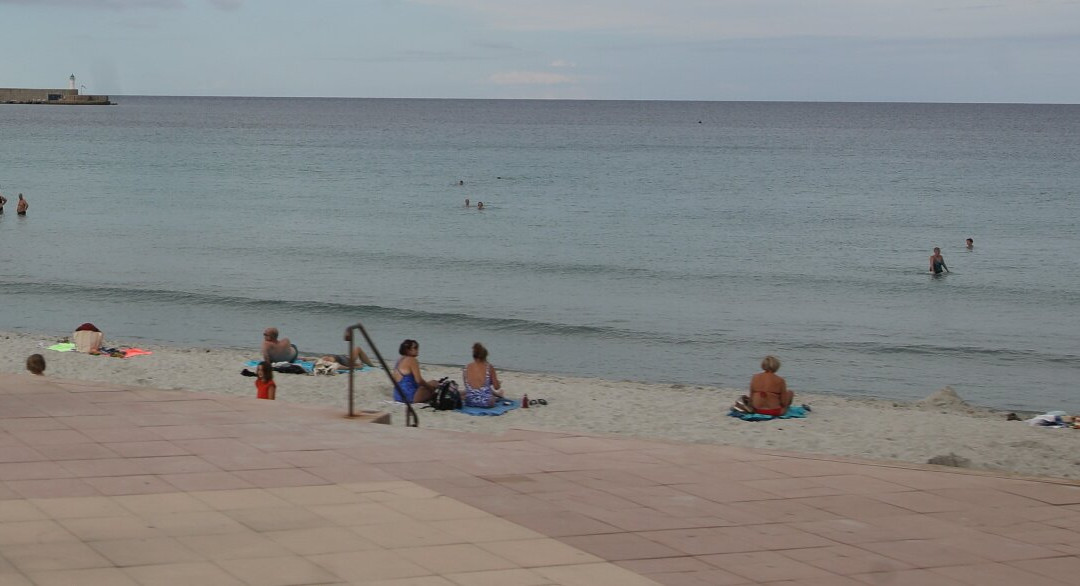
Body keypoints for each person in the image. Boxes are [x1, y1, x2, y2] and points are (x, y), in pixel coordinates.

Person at [391, 339, 438, 404]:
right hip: (410, 397)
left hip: (397, 396)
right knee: (434, 383)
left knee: (431, 383)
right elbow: (419, 380)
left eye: (417, 347)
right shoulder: (412, 360)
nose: (417, 350)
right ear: (408, 350)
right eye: (415, 348)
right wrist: (430, 388)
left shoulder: (399, 360)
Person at [462, 343, 504, 408]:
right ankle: (497, 395)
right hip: (487, 402)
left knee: (483, 388)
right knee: (487, 392)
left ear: (474, 356)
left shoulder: (466, 367)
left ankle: (498, 394)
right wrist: (498, 383)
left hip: (469, 401)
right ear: (485, 356)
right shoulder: (489, 367)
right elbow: (496, 387)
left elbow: (468, 386)